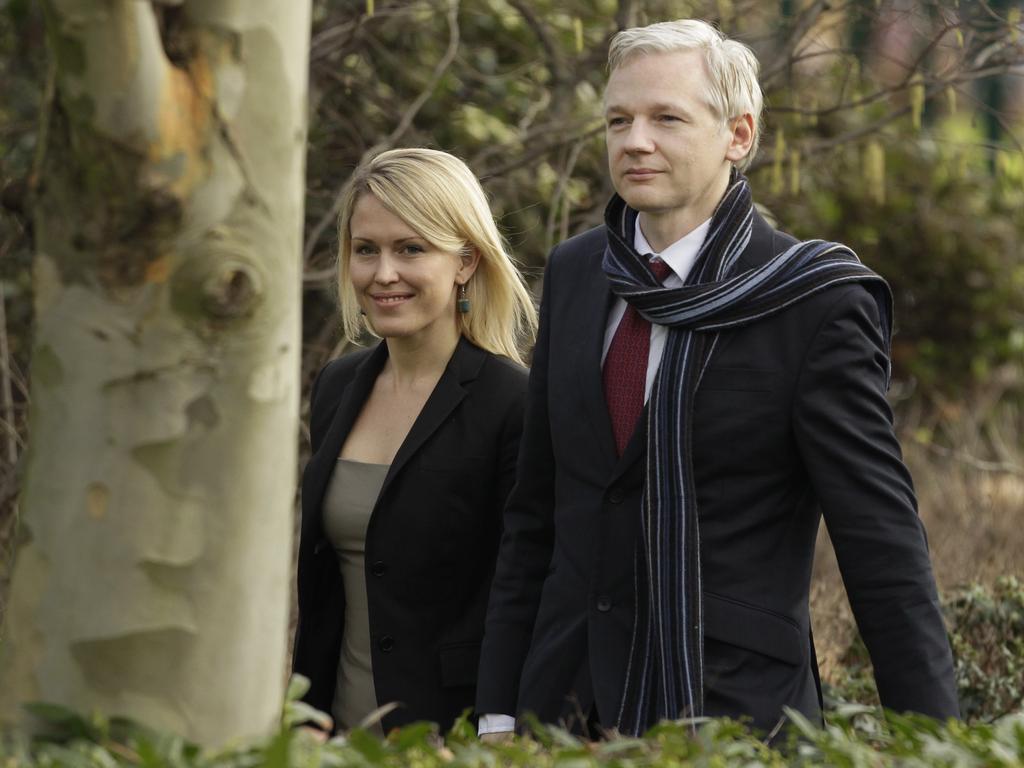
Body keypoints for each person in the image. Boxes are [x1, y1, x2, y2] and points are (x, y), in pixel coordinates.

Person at [476, 19, 959, 738]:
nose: (635, 140)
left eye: (667, 118)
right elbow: (536, 516)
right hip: (563, 709)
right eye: (619, 120)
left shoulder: (812, 300)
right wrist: (497, 709)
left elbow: (879, 540)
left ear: (738, 135)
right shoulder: (579, 273)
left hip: (733, 716)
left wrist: (937, 744)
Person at [293, 148, 537, 734]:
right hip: (333, 733)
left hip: (449, 732)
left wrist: (498, 730)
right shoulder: (337, 386)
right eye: (366, 249)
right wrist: (301, 713)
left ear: (465, 262)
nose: (383, 274)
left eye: (411, 249)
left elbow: (522, 587)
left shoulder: (513, 403)